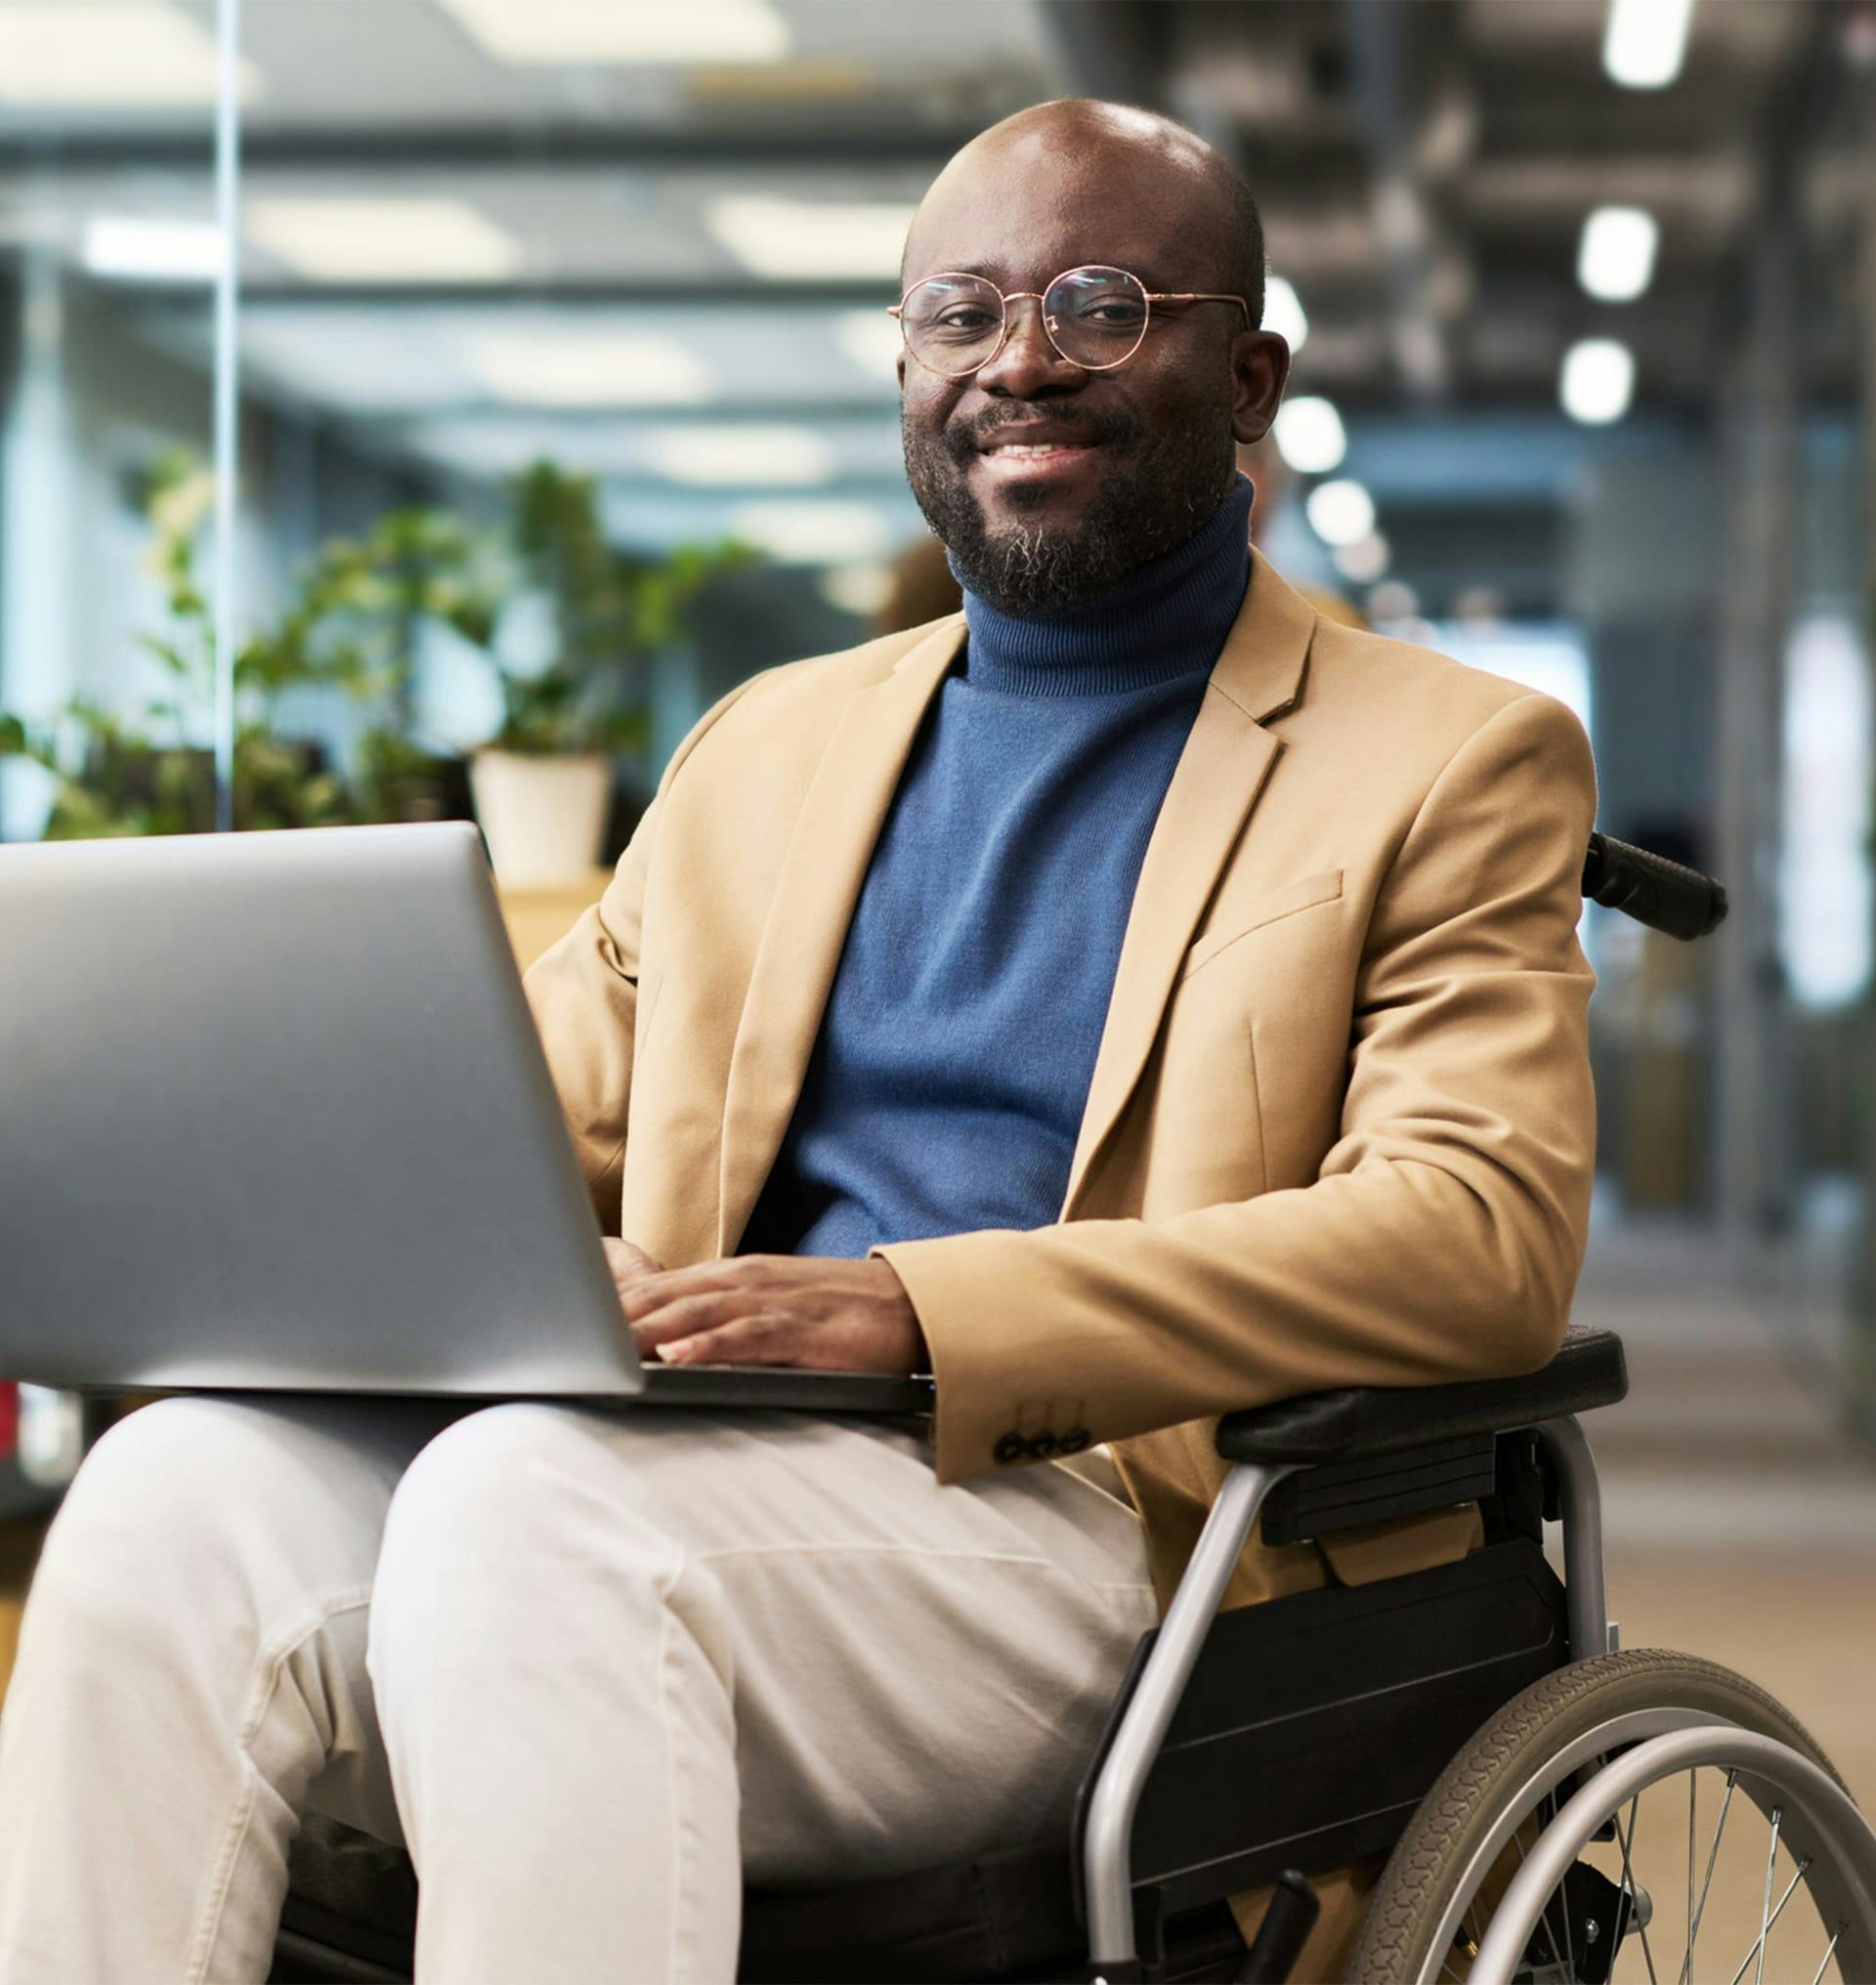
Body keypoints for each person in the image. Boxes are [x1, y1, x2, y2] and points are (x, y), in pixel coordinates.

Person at [0, 98, 1596, 1982]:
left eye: (1100, 304)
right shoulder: (769, 744)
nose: (1020, 361)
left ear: (1246, 377)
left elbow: (1478, 1229)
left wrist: (924, 1307)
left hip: (1089, 1523)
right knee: (168, 1496)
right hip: (675, 1455)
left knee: (528, 1514)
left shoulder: (1444, 758)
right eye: (962, 311)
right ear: (908, 363)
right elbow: (511, 1127)